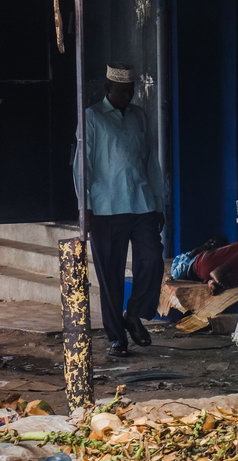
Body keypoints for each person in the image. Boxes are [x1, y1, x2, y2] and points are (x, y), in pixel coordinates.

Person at [73, 63, 164, 357]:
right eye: (122, 92)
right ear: (108, 89)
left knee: (151, 260)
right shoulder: (92, 117)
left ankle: (134, 314)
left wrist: (158, 202)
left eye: (131, 91)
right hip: (105, 208)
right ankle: (117, 338)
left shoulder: (139, 116)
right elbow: (81, 165)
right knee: (109, 275)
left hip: (142, 203)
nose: (127, 96)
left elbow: (151, 161)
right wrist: (84, 205)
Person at [169, 236, 238, 294]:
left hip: (204, 276)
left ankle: (211, 282)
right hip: (202, 264)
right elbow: (176, 274)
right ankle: (222, 270)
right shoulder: (181, 262)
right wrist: (202, 247)